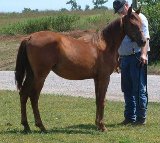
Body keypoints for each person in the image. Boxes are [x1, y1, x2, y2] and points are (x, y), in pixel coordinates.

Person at [113, 0, 150, 125]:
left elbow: (146, 38)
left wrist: (144, 54)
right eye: (118, 12)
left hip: (137, 57)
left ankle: (141, 118)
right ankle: (129, 117)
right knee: (127, 89)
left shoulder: (140, 18)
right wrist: (117, 58)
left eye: (121, 10)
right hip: (124, 58)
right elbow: (119, 41)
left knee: (138, 89)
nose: (120, 13)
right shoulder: (123, 21)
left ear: (127, 6)